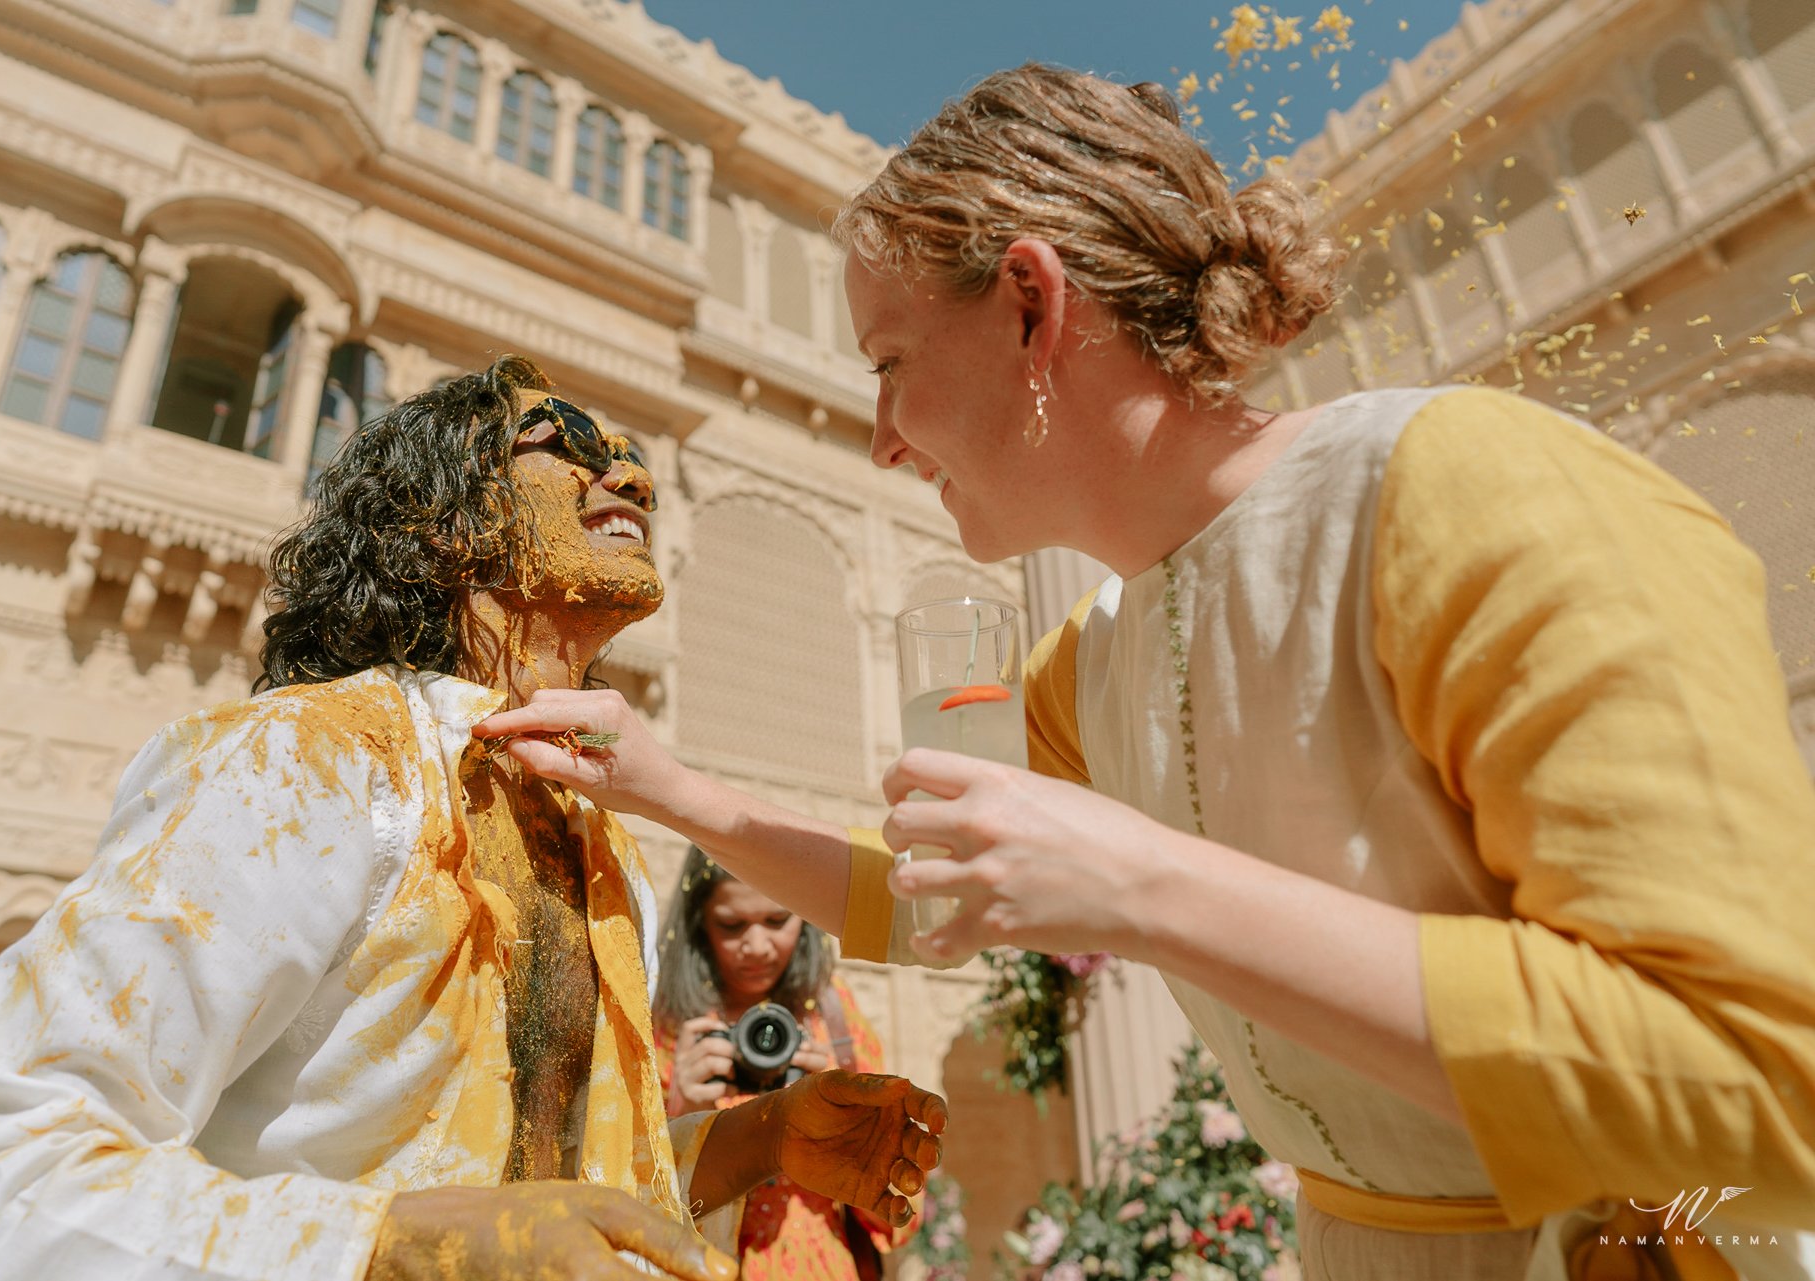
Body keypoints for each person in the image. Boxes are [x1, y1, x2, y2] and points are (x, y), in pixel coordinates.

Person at [472, 65, 1815, 1281]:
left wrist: (1145, 883)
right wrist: (666, 787)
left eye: (890, 363)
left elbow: (1754, 1067)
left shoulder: (1467, 491)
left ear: (1030, 302)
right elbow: (930, 899)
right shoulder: (1094, 661)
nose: (881, 437)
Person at [0, 356, 945, 1281]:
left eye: (628, 455)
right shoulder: (308, 761)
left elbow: (534, 1203)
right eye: (561, 445)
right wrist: (394, 1250)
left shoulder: (594, 832)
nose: (627, 475)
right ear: (441, 522)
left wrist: (764, 1141)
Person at [654, 848, 913, 1281]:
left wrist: (848, 1125)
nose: (757, 947)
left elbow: (900, 1212)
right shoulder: (668, 1026)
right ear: (700, 923)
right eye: (732, 926)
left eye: (778, 921)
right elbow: (623, 1194)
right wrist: (680, 1114)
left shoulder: (834, 1017)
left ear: (807, 918)